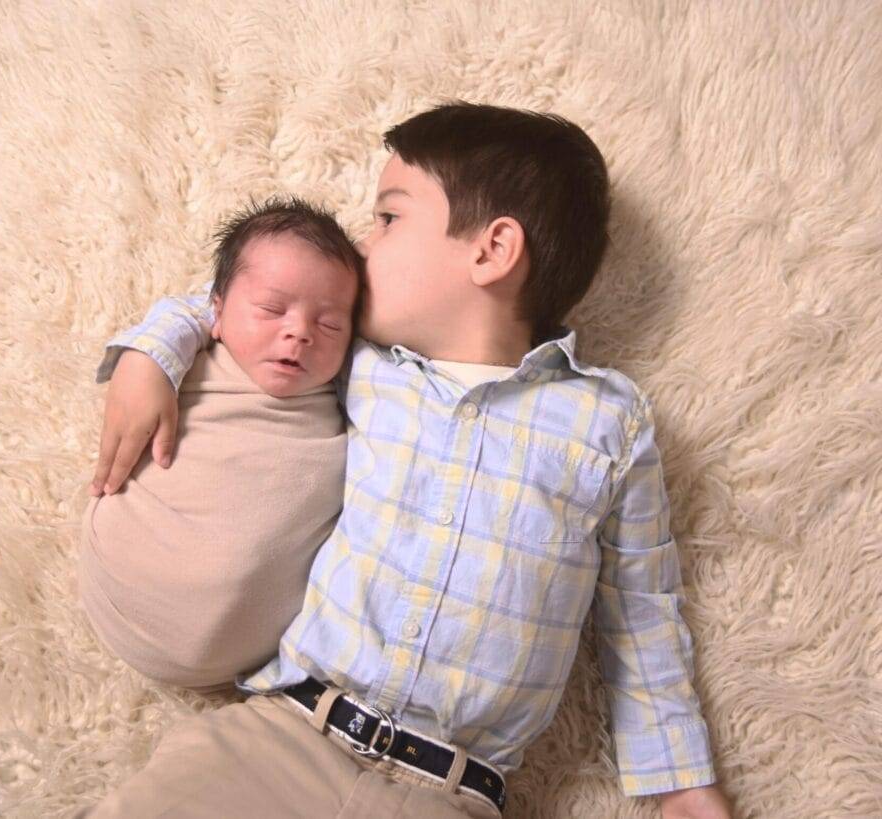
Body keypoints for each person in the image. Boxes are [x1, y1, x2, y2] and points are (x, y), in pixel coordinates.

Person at [79, 102, 732, 818]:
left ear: (492, 250)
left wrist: (681, 779)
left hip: (451, 789)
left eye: (388, 218)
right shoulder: (356, 362)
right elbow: (239, 302)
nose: (360, 246)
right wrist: (150, 355)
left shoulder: (608, 420)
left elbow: (639, 610)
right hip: (284, 731)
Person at [79, 196, 362, 691]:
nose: (299, 332)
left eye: (330, 324)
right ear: (218, 310)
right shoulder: (198, 355)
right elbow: (179, 316)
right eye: (272, 310)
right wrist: (147, 361)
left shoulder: (346, 392)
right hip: (122, 584)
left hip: (256, 658)